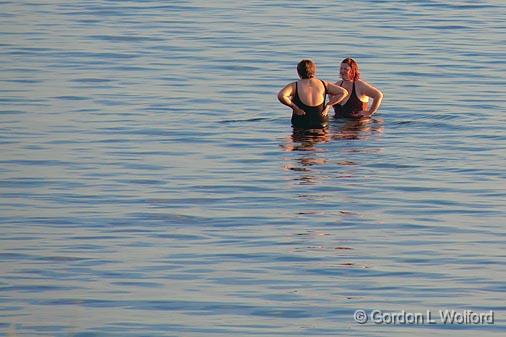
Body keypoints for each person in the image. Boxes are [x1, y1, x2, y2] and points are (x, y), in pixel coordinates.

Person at [278, 59, 348, 129]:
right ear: (314, 71)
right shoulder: (323, 84)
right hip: (321, 120)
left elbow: (281, 95)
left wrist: (295, 108)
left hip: (302, 121)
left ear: (298, 72)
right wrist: (328, 105)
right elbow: (344, 92)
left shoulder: (294, 86)